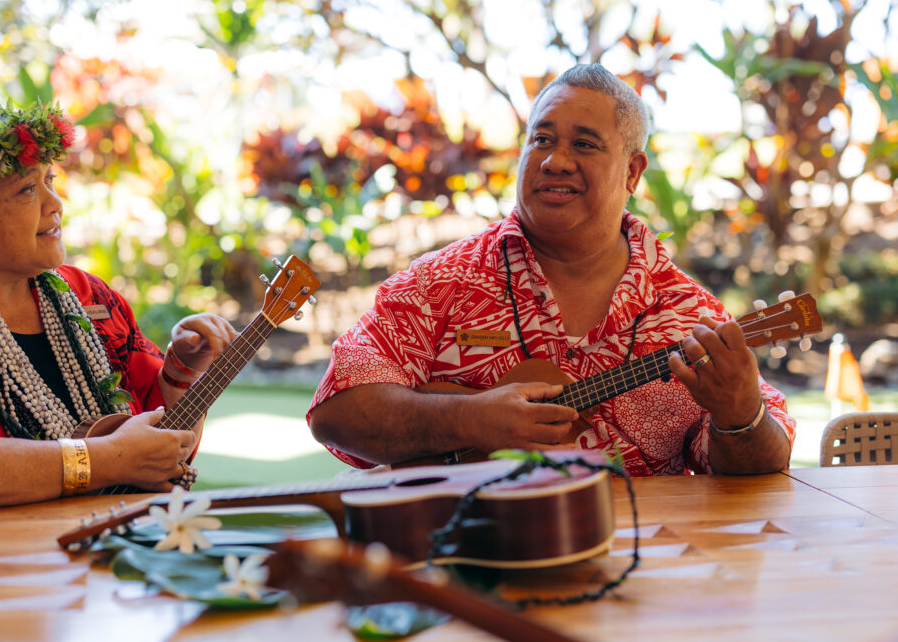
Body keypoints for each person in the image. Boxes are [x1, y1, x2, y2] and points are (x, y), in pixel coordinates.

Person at [308, 64, 794, 477]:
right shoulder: (439, 284)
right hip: (462, 552)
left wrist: (740, 416)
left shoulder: (690, 316)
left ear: (633, 172)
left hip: (640, 565)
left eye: (584, 145)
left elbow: (761, 471)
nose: (555, 160)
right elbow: (337, 409)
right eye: (541, 138)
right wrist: (466, 420)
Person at [0, 100, 236, 512]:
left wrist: (181, 370)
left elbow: (157, 445)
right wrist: (106, 461)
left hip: (106, 551)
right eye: (28, 190)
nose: (56, 204)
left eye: (51, 180)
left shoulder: (89, 298)